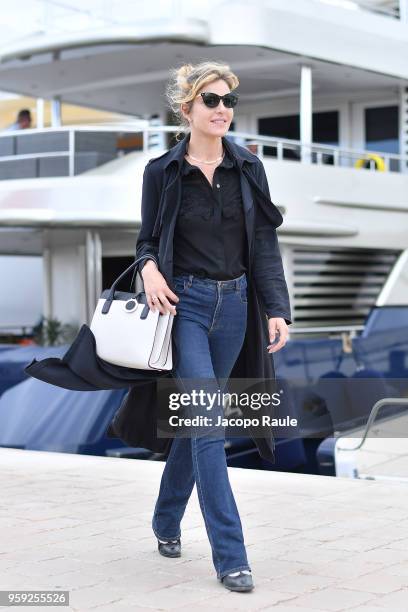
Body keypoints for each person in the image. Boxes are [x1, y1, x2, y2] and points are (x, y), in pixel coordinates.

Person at [137, 61, 291, 593]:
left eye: (229, 101)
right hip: (186, 308)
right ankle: (232, 557)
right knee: (208, 423)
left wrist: (277, 308)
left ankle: (164, 519)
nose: (223, 109)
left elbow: (265, 244)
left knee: (195, 421)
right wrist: (149, 268)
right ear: (187, 110)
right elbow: (145, 242)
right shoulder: (162, 171)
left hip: (237, 307)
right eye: (212, 100)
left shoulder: (249, 167)